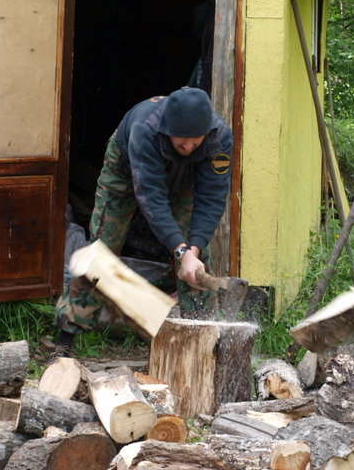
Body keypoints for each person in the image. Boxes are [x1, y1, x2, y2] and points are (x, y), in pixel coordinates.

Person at [50, 86, 233, 357]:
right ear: (167, 129)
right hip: (124, 170)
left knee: (197, 259)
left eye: (195, 139)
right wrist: (179, 250)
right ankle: (65, 338)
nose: (187, 145)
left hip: (186, 180)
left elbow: (212, 198)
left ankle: (199, 345)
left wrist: (191, 252)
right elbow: (152, 199)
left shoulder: (219, 138)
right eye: (180, 139)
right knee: (102, 250)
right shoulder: (145, 129)